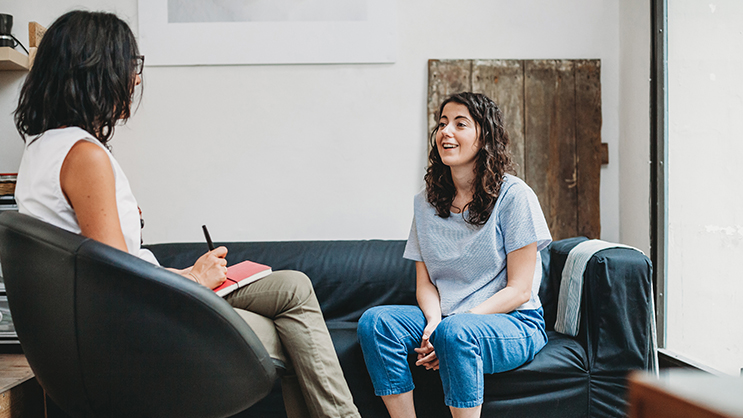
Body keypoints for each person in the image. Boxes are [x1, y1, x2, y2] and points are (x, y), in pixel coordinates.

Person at [13, 10, 359, 418]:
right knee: (297, 337)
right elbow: (112, 283)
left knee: (293, 286)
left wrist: (189, 273)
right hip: (138, 329)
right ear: (96, 70)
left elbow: (108, 265)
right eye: (130, 66)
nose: (135, 79)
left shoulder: (42, 150)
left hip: (134, 311)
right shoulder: (83, 156)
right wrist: (194, 278)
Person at [357, 92, 552, 418]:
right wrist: (434, 324)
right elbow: (425, 283)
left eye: (460, 124)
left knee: (455, 332)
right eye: (442, 123)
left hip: (515, 321)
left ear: (484, 136)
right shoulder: (425, 203)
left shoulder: (515, 196)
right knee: (376, 322)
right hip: (448, 318)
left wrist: (456, 326)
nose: (446, 132)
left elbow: (519, 290)